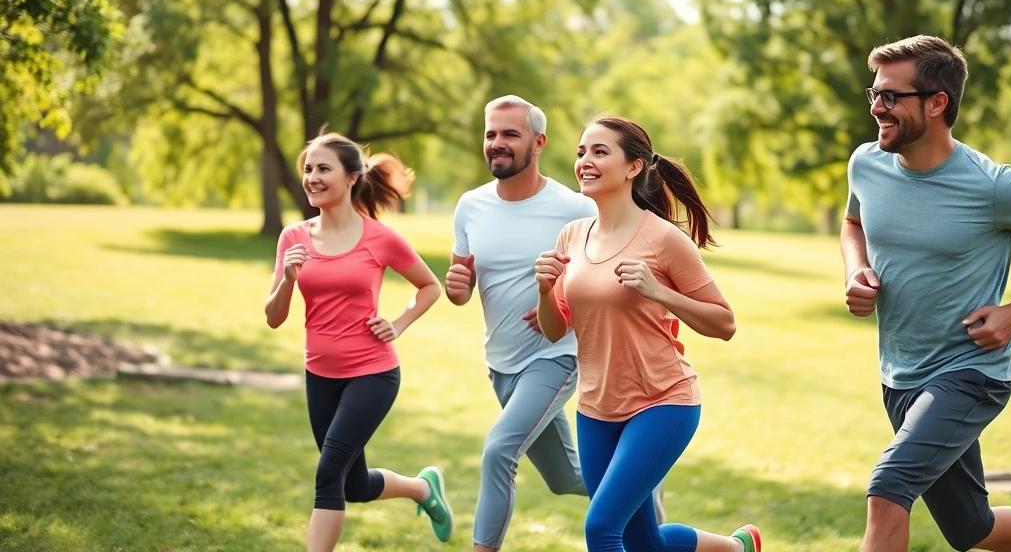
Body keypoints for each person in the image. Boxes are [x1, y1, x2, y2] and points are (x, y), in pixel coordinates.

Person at [446, 95, 666, 552]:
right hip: (501, 361)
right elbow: (461, 286)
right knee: (568, 478)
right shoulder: (470, 206)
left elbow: (619, 252)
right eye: (491, 133)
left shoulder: (574, 206)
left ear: (538, 142)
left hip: (556, 355)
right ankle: (642, 486)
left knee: (498, 453)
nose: (497, 143)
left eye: (510, 134)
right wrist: (456, 287)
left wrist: (560, 295)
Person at [534, 114, 761, 552]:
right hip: (597, 407)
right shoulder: (571, 236)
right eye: (582, 151)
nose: (585, 161)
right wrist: (545, 291)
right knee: (644, 544)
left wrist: (659, 292)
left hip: (662, 402)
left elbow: (724, 322)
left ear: (633, 167)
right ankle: (736, 548)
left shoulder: (663, 239)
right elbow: (554, 329)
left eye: (600, 152)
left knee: (601, 528)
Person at [843, 35, 1011, 552]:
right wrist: (856, 270)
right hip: (900, 374)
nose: (877, 107)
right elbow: (852, 224)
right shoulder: (866, 164)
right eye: (874, 94)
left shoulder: (994, 186)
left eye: (891, 96)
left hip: (971, 375)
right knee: (973, 528)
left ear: (937, 102)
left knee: (888, 487)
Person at [264, 128, 454, 552]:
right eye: (308, 168)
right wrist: (288, 282)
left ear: (351, 177)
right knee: (351, 484)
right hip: (320, 374)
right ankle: (423, 489)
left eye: (323, 168)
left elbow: (429, 286)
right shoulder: (292, 239)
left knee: (327, 475)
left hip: (373, 372)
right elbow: (274, 318)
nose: (312, 176)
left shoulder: (378, 238)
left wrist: (399, 323)